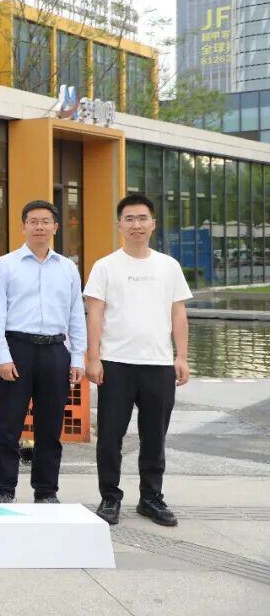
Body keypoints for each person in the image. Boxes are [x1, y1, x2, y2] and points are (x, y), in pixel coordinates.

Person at [85, 193, 192, 527]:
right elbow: (95, 314)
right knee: (110, 437)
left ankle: (151, 497)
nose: (136, 225)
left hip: (158, 365)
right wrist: (93, 357)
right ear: (119, 224)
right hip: (115, 363)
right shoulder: (105, 266)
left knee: (154, 436)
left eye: (142, 218)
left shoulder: (168, 266)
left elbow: (178, 312)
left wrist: (182, 356)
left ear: (153, 224)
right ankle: (110, 497)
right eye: (129, 218)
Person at [0, 199, 87, 504]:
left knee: (50, 427)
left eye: (45, 221)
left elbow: (76, 315)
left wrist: (78, 357)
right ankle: (4, 489)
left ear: (55, 227)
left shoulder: (68, 268)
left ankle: (46, 490)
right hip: (17, 349)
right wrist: (2, 356)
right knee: (9, 425)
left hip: (56, 350)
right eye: (33, 221)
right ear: (23, 226)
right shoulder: (4, 265)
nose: (39, 227)